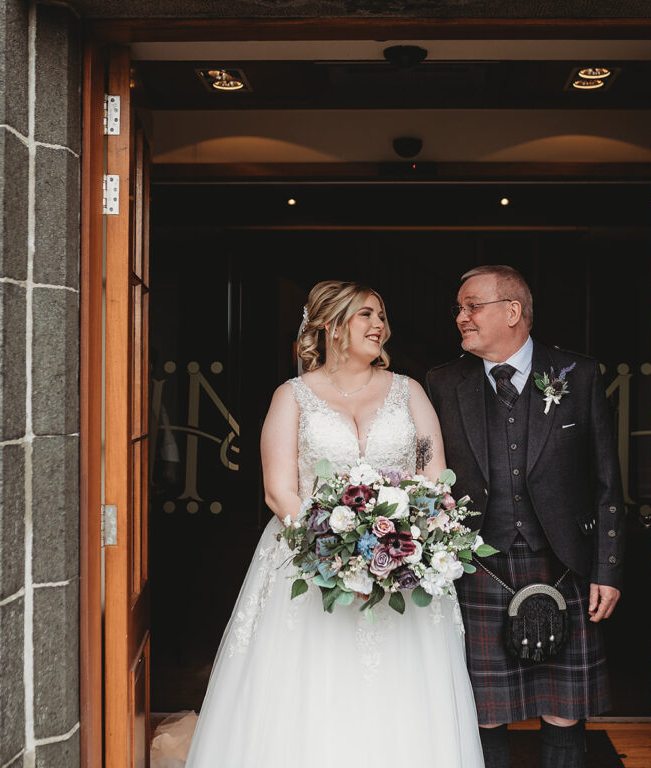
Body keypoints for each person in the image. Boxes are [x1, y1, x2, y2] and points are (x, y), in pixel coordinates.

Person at [182, 280, 484, 767]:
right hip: (306, 562)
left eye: (382, 315)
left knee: (402, 690)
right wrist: (339, 554)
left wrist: (406, 544)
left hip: (401, 567)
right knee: (309, 689)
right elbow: (280, 491)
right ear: (331, 326)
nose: (380, 325)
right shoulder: (293, 396)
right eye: (367, 314)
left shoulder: (409, 392)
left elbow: (433, 475)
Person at [425, 265, 625, 768]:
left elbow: (606, 482)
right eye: (459, 308)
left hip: (563, 564)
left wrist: (608, 569)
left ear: (513, 312)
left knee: (563, 709)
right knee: (483, 710)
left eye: (472, 306)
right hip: (476, 568)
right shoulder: (443, 383)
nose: (461, 318)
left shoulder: (577, 374)